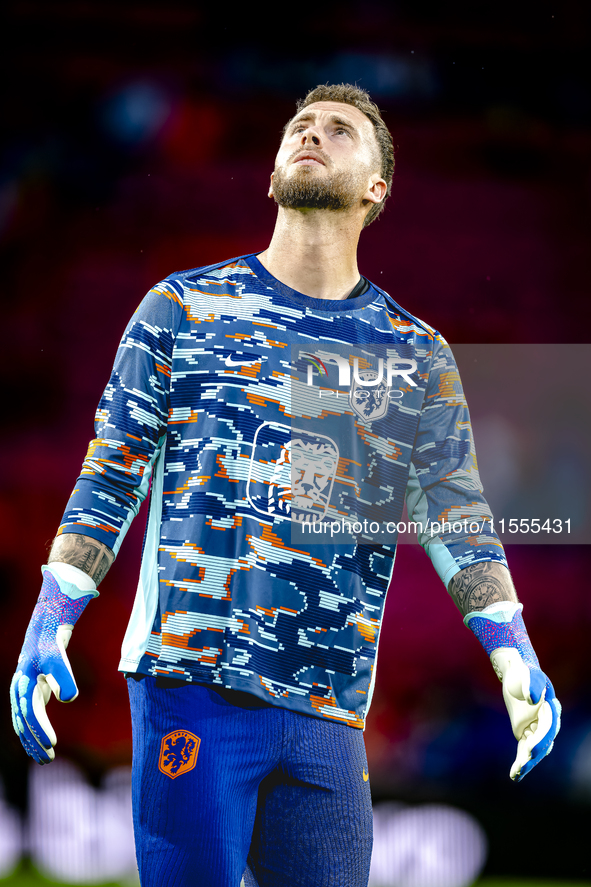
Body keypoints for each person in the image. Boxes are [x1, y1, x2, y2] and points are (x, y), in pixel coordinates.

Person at [10, 84, 561, 887]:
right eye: (299, 126)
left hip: (330, 712)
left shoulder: (417, 354)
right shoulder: (181, 307)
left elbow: (455, 513)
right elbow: (113, 467)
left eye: (340, 130)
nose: (311, 134)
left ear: (377, 189)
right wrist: (53, 611)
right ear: (271, 171)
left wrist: (511, 649)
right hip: (187, 680)